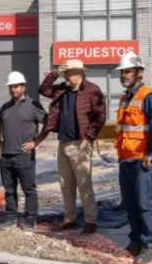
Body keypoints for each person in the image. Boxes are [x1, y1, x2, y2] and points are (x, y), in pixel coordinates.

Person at [38, 59, 107, 234]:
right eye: (65, 73)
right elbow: (43, 90)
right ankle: (70, 218)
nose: (67, 76)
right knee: (65, 183)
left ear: (79, 74)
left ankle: (90, 220)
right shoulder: (62, 89)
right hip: (64, 141)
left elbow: (101, 116)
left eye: (69, 73)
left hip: (80, 142)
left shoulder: (92, 90)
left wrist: (89, 137)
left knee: (84, 183)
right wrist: (55, 73)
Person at [114, 53, 152, 264]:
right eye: (122, 72)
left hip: (142, 160)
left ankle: (150, 245)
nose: (124, 75)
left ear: (138, 72)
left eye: (128, 71)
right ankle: (135, 241)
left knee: (145, 204)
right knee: (131, 204)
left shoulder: (147, 96)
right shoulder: (125, 98)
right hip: (126, 159)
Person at [0, 71, 49, 231]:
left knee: (29, 189)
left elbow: (48, 123)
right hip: (6, 156)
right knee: (9, 190)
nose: (13, 90)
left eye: (16, 86)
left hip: (24, 156)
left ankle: (30, 220)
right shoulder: (5, 107)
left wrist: (36, 142)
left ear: (23, 87)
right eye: (11, 87)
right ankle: (11, 218)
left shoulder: (33, 106)